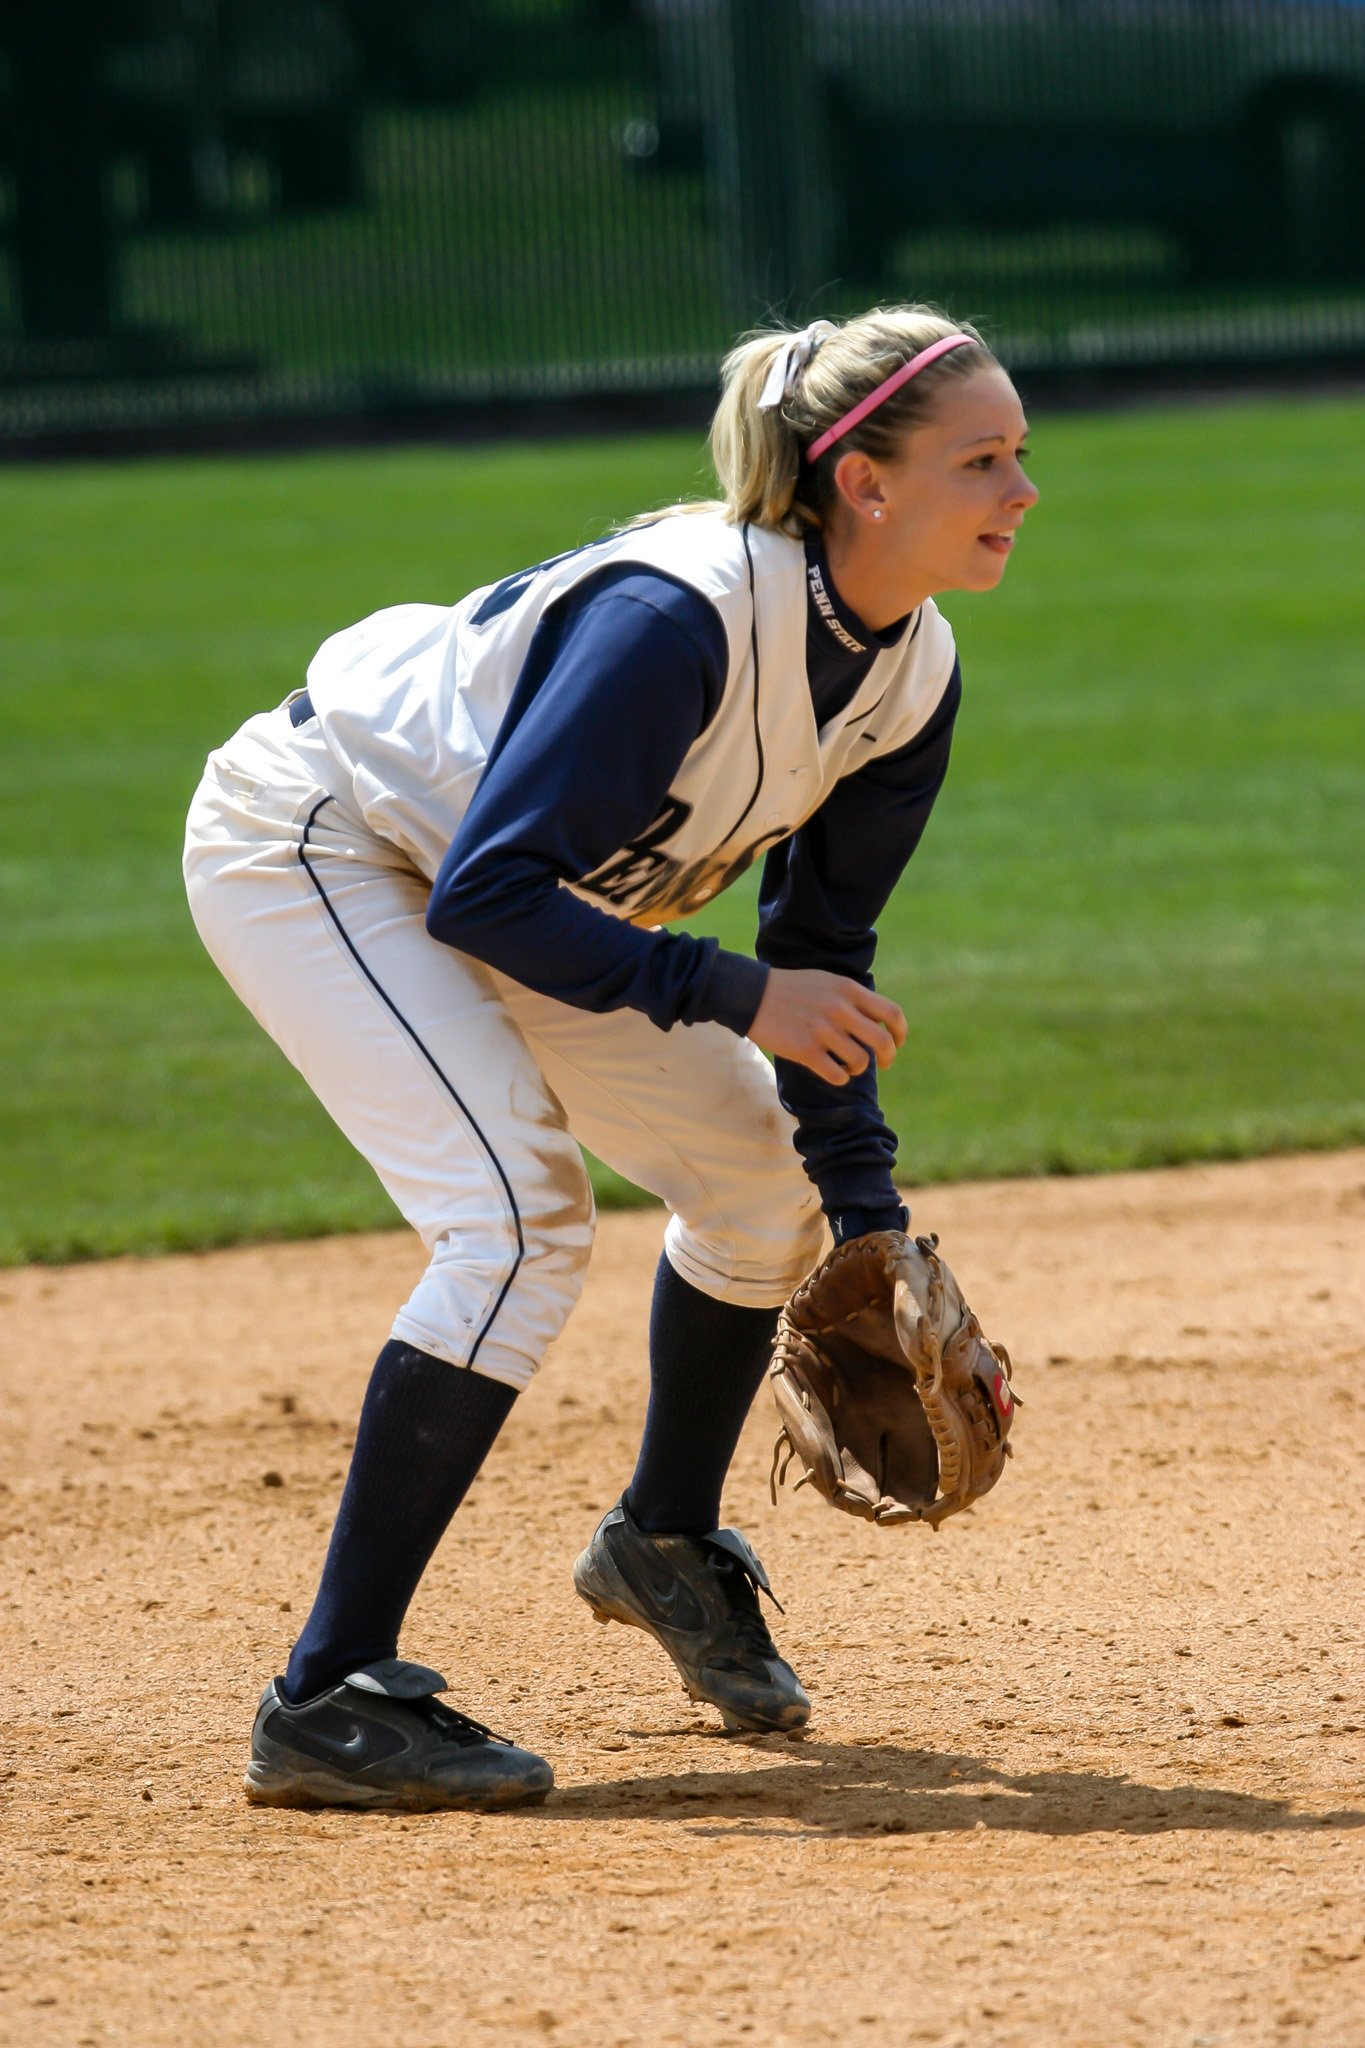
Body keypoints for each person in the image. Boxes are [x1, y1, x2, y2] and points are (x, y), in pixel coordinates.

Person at [182, 303, 1038, 1812]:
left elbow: (819, 962)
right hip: (327, 840)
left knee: (759, 1187)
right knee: (512, 1224)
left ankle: (660, 1540)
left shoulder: (908, 675)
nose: (1021, 493)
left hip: (543, 900)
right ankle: (324, 1697)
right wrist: (727, 990)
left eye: (1017, 457)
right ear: (865, 481)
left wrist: (866, 1209)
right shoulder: (681, 618)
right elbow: (486, 895)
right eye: (983, 460)